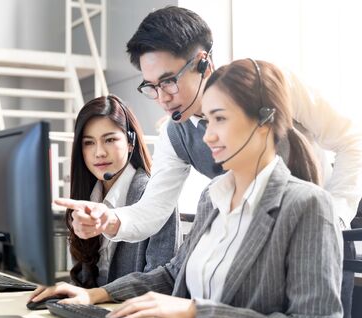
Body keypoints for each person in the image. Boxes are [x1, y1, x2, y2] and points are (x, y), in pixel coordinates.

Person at [29, 59, 343, 318]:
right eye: (206, 120)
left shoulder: (308, 206)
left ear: (264, 121)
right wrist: (94, 295)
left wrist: (196, 312)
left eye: (219, 118)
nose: (206, 135)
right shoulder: (213, 197)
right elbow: (171, 274)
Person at [56, 6, 362, 243]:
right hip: (255, 250)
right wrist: (107, 219)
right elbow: (153, 210)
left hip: (317, 240)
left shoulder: (272, 83)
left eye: (169, 82)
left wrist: (335, 214)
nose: (162, 97)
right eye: (151, 86)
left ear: (203, 62)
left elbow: (352, 140)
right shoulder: (176, 132)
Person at [55, 95, 178, 288]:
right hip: (92, 310)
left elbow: (161, 284)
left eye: (110, 139)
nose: (99, 152)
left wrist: (96, 297)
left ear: (131, 142)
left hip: (131, 313)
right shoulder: (86, 197)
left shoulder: (154, 196)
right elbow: (83, 278)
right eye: (89, 143)